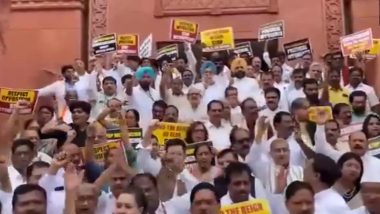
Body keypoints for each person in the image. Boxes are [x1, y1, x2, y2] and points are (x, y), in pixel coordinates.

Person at [125, 66, 161, 131]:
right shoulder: (133, 90)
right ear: (138, 78)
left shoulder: (156, 93)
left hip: (152, 127)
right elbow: (128, 90)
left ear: (151, 79)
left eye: (148, 77)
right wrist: (131, 81)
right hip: (136, 128)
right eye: (143, 77)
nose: (146, 79)